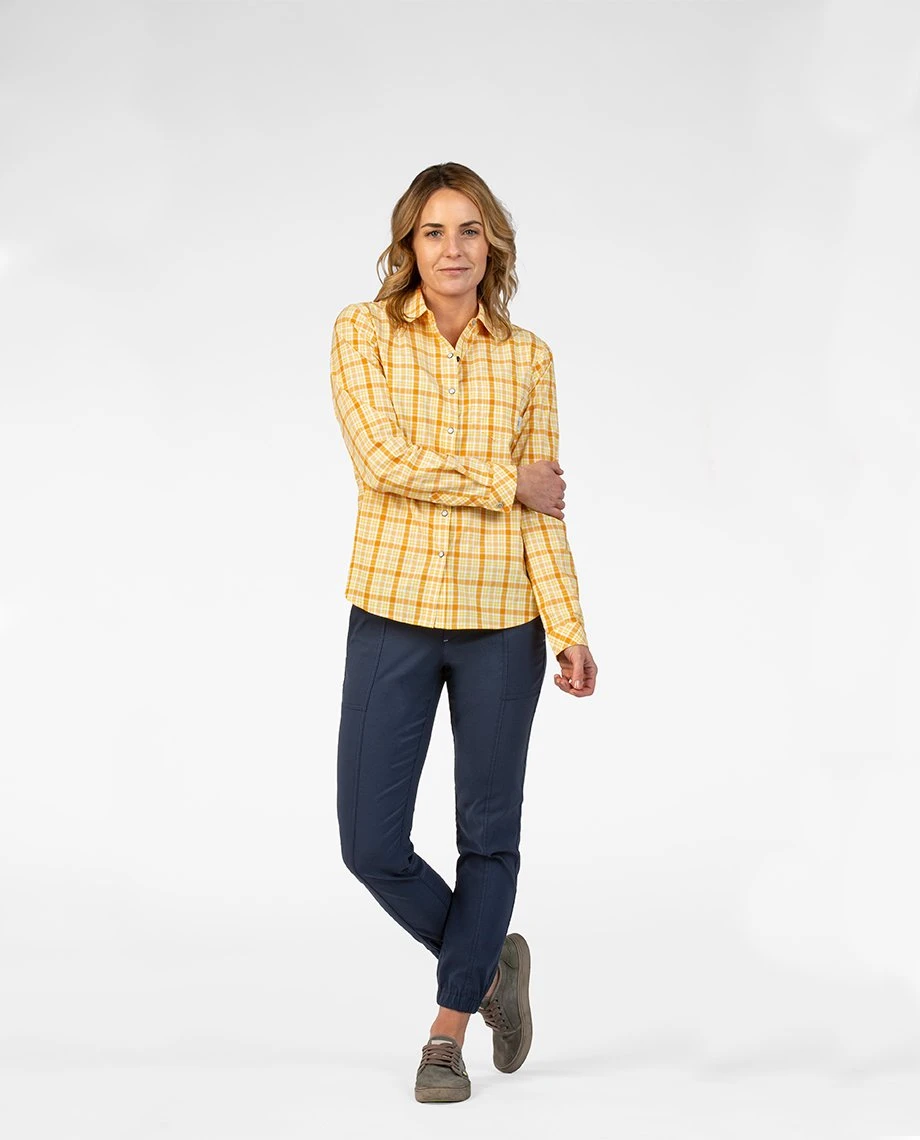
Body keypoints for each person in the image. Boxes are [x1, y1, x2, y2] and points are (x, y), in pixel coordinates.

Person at [329, 162, 597, 1103]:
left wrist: (568, 625)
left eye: (471, 230)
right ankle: (487, 969)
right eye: (435, 231)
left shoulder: (529, 357)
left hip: (501, 626)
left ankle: (446, 1036)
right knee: (369, 843)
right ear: (409, 245)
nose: (453, 248)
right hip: (392, 615)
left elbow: (544, 508)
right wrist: (502, 480)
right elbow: (381, 460)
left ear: (494, 246)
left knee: (488, 833)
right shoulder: (362, 332)